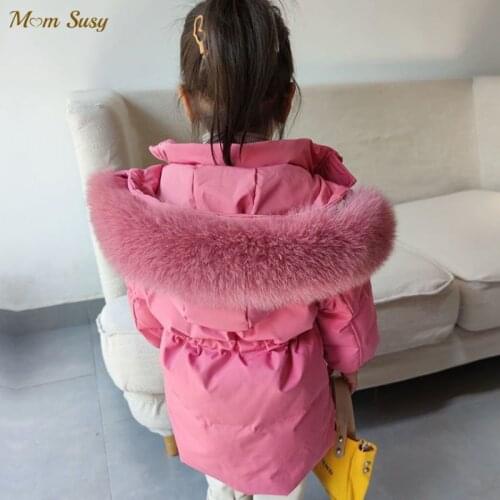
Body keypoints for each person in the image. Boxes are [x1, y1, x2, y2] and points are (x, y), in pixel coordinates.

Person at [87, 1, 396, 498]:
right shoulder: (322, 209)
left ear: (186, 100)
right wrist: (344, 378)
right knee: (283, 488)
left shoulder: (149, 207)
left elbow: (149, 319)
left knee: (221, 483)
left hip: (199, 403)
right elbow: (349, 328)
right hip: (289, 411)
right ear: (287, 99)